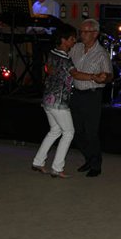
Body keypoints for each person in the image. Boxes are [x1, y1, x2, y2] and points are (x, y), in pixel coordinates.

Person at [31, 24, 99, 178]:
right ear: (63, 40)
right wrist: (94, 76)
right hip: (58, 101)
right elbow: (76, 74)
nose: (75, 41)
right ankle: (57, 167)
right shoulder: (65, 58)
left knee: (55, 130)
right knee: (68, 132)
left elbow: (49, 69)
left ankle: (38, 161)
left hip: (48, 99)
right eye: (72, 39)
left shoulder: (51, 53)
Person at [69, 19, 113, 178]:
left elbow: (109, 76)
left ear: (95, 34)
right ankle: (89, 158)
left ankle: (95, 164)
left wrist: (104, 77)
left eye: (85, 32)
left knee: (91, 132)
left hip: (92, 95)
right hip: (76, 94)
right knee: (76, 131)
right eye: (81, 31)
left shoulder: (101, 54)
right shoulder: (76, 48)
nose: (82, 34)